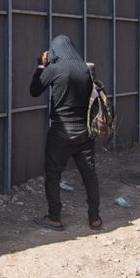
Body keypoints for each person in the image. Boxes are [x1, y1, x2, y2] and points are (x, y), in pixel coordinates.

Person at [29, 34, 102, 230]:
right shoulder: (85, 70)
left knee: (53, 174)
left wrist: (41, 65)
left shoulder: (54, 68)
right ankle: (94, 218)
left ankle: (54, 217)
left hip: (61, 130)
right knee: (89, 174)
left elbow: (35, 90)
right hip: (85, 132)